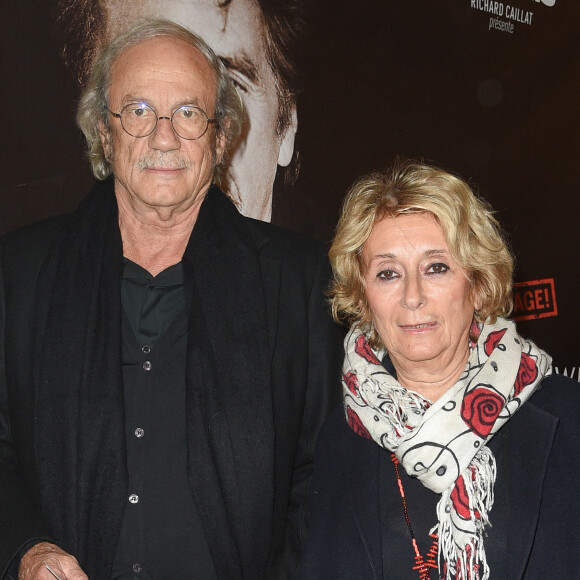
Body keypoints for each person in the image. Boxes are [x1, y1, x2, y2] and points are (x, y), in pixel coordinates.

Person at [0, 19, 342, 580]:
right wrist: (25, 550)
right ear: (104, 135)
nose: (164, 137)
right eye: (137, 111)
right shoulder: (19, 275)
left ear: (220, 134)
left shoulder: (299, 282)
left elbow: (324, 474)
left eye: (188, 113)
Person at [296, 159, 580, 579]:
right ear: (363, 297)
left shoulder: (569, 418)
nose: (413, 296)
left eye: (436, 268)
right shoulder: (340, 437)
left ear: (479, 285)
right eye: (388, 273)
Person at [54, 0, 302, 221]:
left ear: (287, 125)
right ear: (99, 125)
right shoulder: (30, 261)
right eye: (139, 102)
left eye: (230, 86)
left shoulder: (318, 269)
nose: (167, 139)